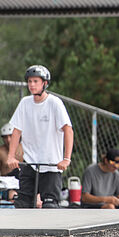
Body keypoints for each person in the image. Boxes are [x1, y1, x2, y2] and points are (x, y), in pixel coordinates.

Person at [7, 65, 73, 208]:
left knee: (50, 205)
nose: (31, 85)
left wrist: (66, 159)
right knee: (23, 204)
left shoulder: (54, 103)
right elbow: (16, 131)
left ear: (45, 83)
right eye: (29, 81)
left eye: (35, 81)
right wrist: (11, 156)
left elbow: (68, 130)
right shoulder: (25, 103)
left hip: (51, 164)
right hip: (30, 162)